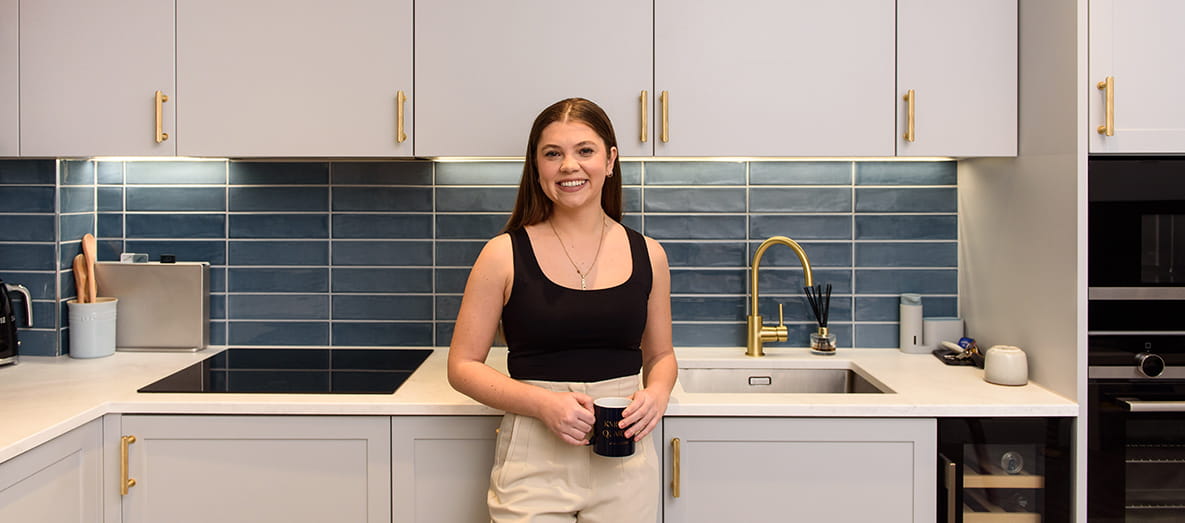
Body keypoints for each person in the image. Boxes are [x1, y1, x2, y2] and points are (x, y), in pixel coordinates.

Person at [447, 97, 677, 523]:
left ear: (610, 161)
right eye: (553, 154)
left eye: (584, 151)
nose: (569, 165)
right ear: (537, 168)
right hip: (534, 461)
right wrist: (543, 404)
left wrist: (657, 394)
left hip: (626, 461)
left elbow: (660, 355)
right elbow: (462, 366)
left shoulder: (650, 255)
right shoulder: (501, 255)